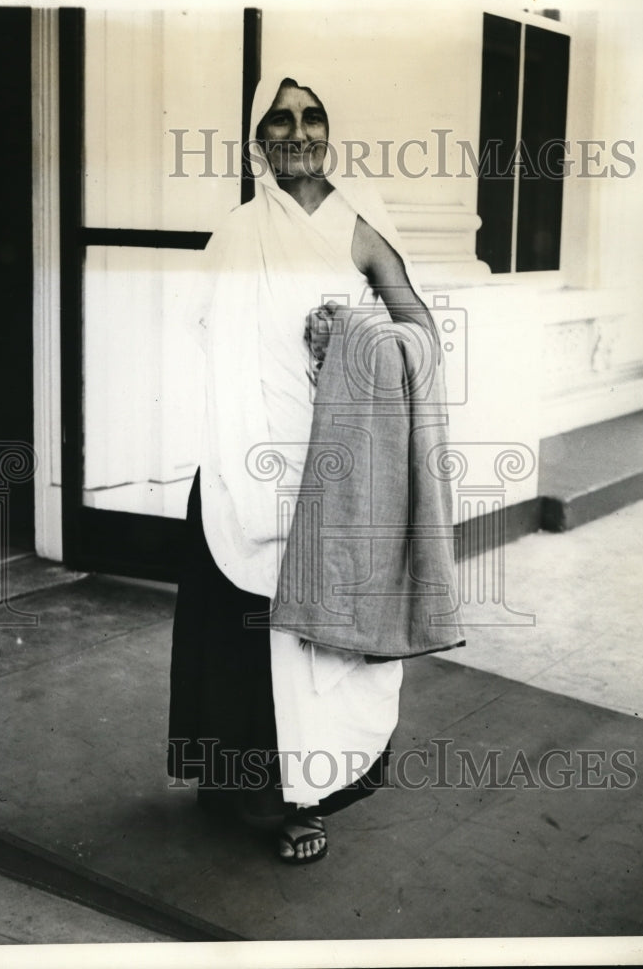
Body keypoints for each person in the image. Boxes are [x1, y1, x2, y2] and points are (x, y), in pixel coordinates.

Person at [167, 67, 456, 864]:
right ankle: (237, 785)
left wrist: (356, 335)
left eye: (311, 117)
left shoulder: (357, 227)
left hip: (330, 468)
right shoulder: (236, 232)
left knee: (313, 643)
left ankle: (305, 799)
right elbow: (207, 337)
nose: (297, 132)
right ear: (259, 142)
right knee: (237, 635)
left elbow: (421, 333)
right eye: (280, 121)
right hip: (239, 460)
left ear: (330, 131)